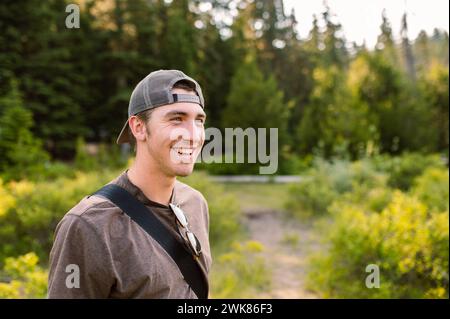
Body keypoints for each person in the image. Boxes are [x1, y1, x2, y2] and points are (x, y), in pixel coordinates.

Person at [48, 70, 211, 298]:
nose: (193, 135)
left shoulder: (195, 203)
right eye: (177, 119)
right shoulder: (89, 226)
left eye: (199, 121)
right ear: (138, 127)